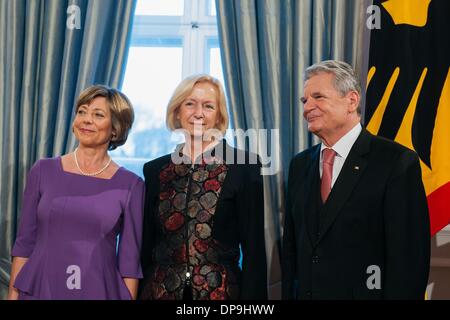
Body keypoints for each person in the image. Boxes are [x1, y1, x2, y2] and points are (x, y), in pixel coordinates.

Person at [282, 60, 430, 299]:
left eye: (318, 97)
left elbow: (409, 262)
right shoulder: (299, 165)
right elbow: (291, 251)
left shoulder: (396, 162)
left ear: (351, 100)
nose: (307, 107)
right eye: (304, 100)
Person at [7, 85, 145, 300]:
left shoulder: (131, 185)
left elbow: (129, 261)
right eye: (82, 111)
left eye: (98, 114)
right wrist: (13, 296)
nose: (86, 119)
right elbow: (24, 242)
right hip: (41, 288)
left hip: (99, 291)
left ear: (116, 128)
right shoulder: (43, 170)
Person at [138, 74, 267, 300]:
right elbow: (146, 247)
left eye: (208, 106)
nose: (198, 113)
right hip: (159, 292)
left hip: (223, 294)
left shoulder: (244, 167)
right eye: (190, 104)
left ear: (219, 116)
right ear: (177, 111)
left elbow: (254, 251)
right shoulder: (154, 170)